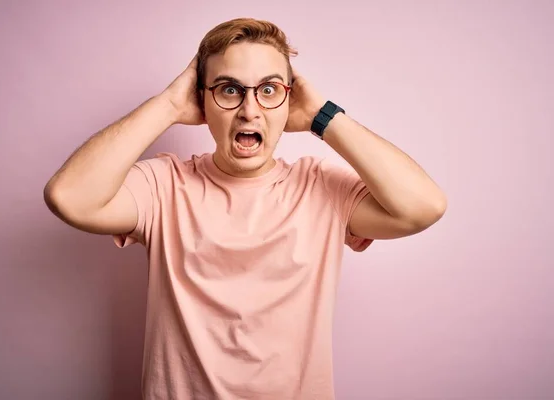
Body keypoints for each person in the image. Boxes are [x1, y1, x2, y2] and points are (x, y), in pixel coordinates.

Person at [44, 17, 447, 400]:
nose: (250, 110)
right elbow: (69, 197)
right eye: (229, 89)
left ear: (290, 100)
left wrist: (324, 116)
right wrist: (167, 105)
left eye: (269, 90)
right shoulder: (163, 185)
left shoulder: (322, 188)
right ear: (202, 101)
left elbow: (422, 207)